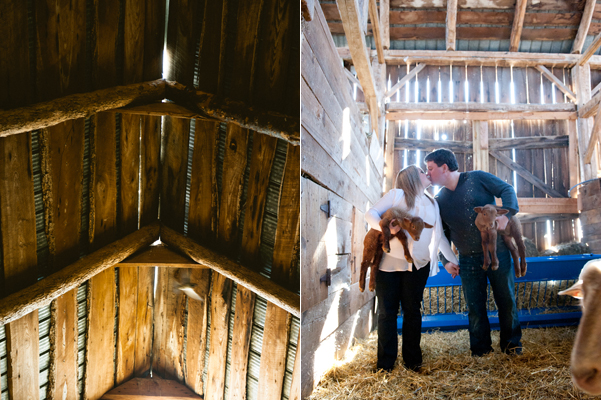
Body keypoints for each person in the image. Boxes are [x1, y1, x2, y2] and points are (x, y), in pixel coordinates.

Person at [424, 148, 522, 357]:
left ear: (444, 167)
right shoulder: (439, 200)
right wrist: (446, 260)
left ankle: (512, 346)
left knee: (506, 300)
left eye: (430, 169)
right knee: (475, 307)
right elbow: (443, 234)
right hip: (467, 259)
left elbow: (507, 189)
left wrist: (507, 214)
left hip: (498, 253)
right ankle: (481, 351)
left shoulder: (477, 178)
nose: (428, 174)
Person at [365, 165, 459, 372]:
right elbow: (370, 214)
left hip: (418, 265)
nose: (426, 172)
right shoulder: (396, 195)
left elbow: (440, 237)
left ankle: (413, 361)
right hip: (387, 265)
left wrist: (452, 260)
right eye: (420, 170)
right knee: (387, 313)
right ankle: (385, 364)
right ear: (410, 178)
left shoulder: (433, 203)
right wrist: (386, 227)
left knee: (412, 312)